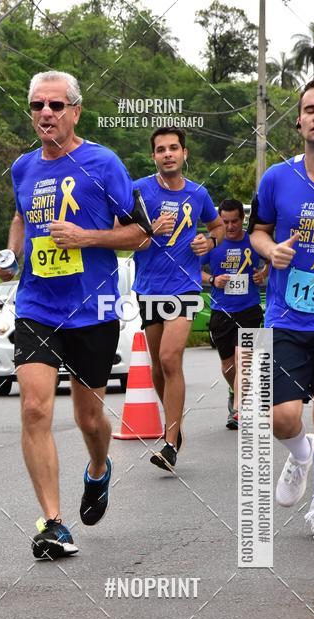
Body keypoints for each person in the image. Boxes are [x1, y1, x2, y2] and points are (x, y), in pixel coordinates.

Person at [0, 70, 151, 560]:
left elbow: (141, 233)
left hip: (94, 308)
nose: (46, 113)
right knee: (35, 407)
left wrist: (87, 238)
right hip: (38, 307)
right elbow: (21, 217)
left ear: (75, 111)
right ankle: (53, 524)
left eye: (57, 105)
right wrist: (10, 254)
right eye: (38, 105)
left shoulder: (103, 164)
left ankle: (99, 469)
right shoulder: (22, 168)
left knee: (88, 418)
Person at [250, 75, 314, 541]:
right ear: (299, 120)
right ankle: (300, 455)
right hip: (285, 315)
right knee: (283, 417)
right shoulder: (277, 178)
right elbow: (257, 230)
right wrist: (270, 251)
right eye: (310, 110)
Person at [132, 128, 224, 471]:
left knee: (171, 358)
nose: (167, 153)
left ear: (184, 153)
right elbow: (120, 232)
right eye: (160, 149)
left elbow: (215, 227)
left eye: (173, 148)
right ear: (154, 156)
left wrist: (209, 243)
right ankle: (175, 427)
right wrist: (148, 230)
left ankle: (169, 444)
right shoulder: (138, 191)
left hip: (184, 286)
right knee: (158, 365)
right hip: (148, 286)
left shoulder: (198, 194)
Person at [201, 198, 268, 429]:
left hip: (249, 309)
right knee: (229, 366)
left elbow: (270, 260)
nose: (230, 227)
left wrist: (262, 274)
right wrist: (212, 279)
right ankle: (234, 391)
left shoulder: (254, 241)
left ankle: (240, 409)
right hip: (221, 311)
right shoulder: (214, 244)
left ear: (243, 219)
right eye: (225, 221)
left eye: (235, 221)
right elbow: (193, 270)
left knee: (244, 358)